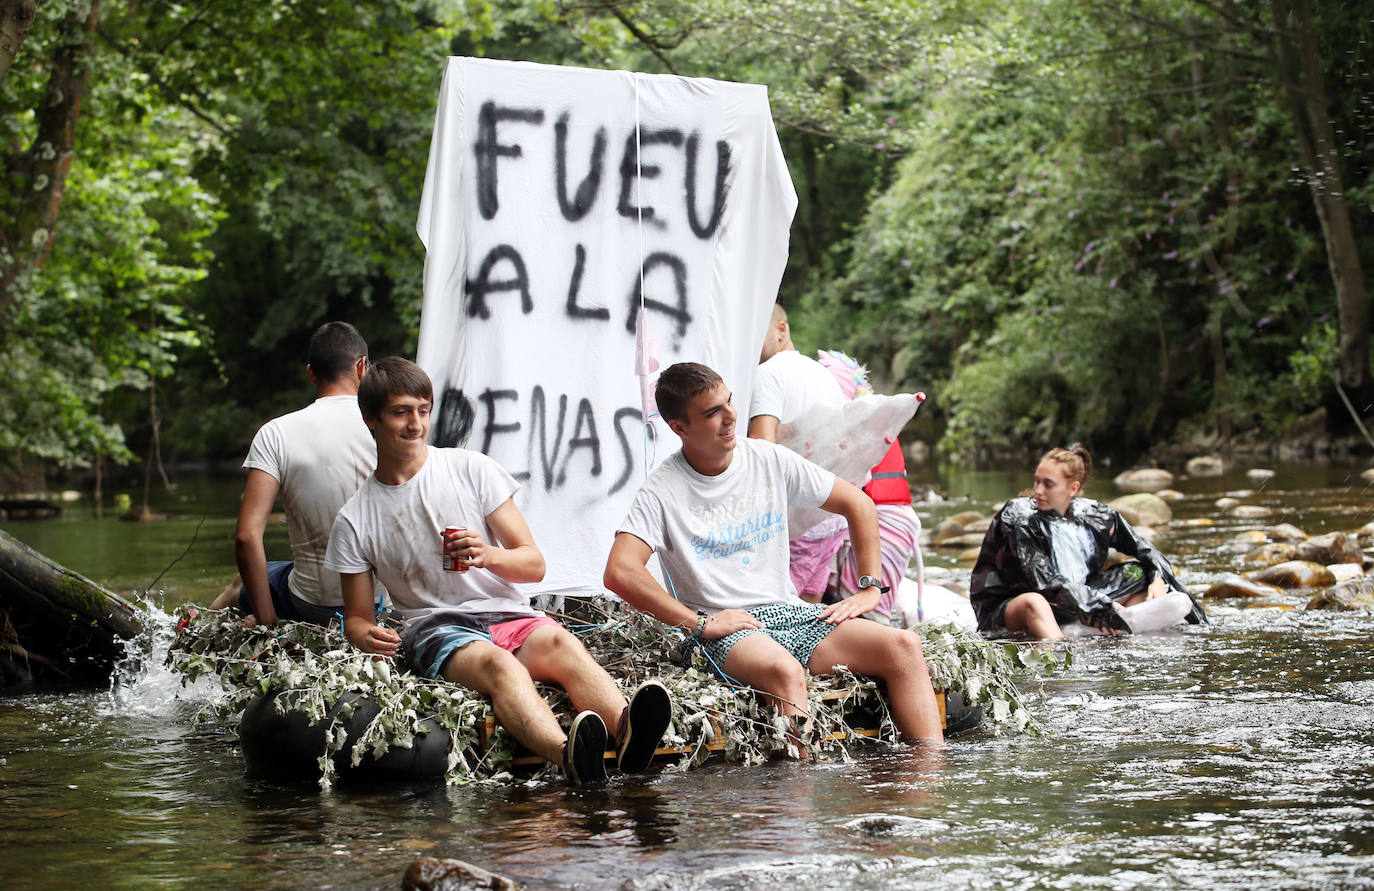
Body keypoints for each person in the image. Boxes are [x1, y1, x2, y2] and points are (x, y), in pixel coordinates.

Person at [322, 357, 671, 785]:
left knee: (562, 642)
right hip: (434, 627)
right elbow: (357, 616)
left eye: (423, 410)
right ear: (371, 419)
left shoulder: (471, 469)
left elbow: (533, 564)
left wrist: (487, 555)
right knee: (501, 668)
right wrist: (363, 633)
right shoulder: (355, 517)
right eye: (401, 412)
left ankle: (629, 733)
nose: (415, 424)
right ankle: (569, 755)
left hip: (507, 613)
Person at [604, 361, 944, 747]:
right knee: (785, 671)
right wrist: (696, 622)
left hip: (790, 612)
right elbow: (620, 571)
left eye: (729, 402)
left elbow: (858, 503)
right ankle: (793, 803)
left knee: (903, 646)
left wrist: (869, 587)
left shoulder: (767, 458)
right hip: (724, 629)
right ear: (679, 428)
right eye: (712, 412)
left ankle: (927, 785)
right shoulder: (662, 489)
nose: (730, 417)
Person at [747, 303, 923, 625]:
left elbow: (761, 450)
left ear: (781, 330)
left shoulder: (766, 375)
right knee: (812, 611)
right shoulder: (821, 373)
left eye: (753, 334)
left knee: (780, 615)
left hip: (797, 521)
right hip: (833, 518)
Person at [211, 321, 380, 626]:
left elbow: (246, 536)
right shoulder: (389, 426)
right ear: (362, 368)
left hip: (311, 605)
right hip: (381, 605)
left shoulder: (275, 433)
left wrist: (267, 620)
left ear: (311, 373)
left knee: (239, 584)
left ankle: (185, 636)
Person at [969, 444, 1207, 639]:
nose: (1038, 490)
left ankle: (1118, 627)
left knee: (1138, 573)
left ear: (1073, 488)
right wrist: (1104, 606)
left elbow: (1145, 549)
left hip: (1078, 599)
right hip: (1014, 604)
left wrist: (1157, 578)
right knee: (1035, 602)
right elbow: (1046, 583)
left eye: (1048, 484)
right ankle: (1061, 655)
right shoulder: (1017, 517)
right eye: (1036, 481)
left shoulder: (1098, 516)